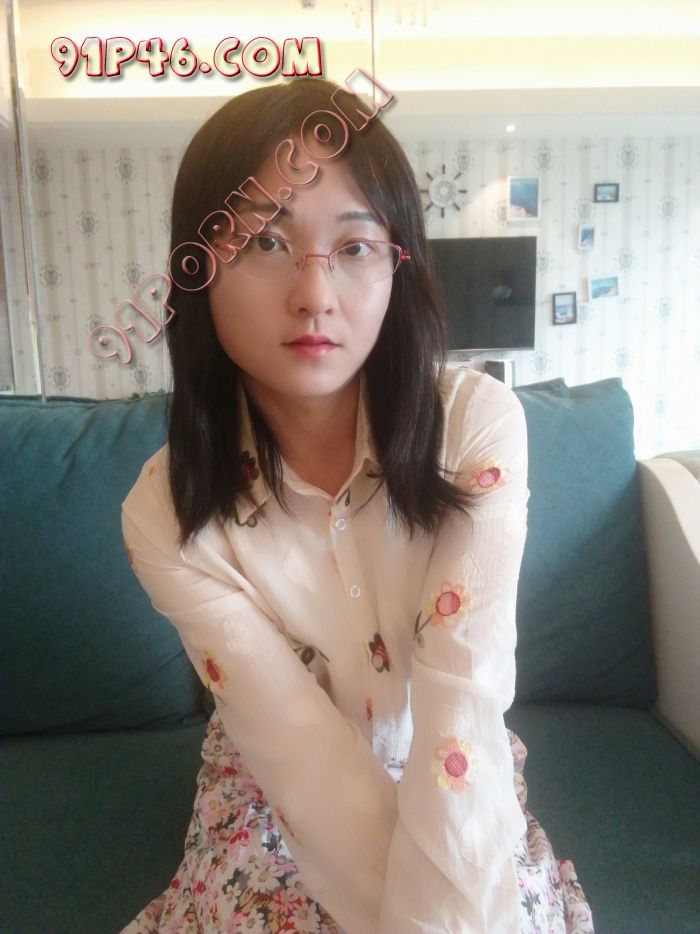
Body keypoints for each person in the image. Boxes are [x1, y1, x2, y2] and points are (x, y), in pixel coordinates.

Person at [119, 76, 595, 933]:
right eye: (265, 241)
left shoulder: (475, 428)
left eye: (355, 246)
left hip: (449, 759)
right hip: (269, 779)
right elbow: (298, 756)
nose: (315, 294)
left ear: (396, 265)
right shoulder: (165, 513)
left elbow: (462, 695)